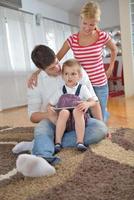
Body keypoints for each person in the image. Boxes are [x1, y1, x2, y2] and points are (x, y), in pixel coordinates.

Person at [15, 45, 108, 177]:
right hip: (55, 121)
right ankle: (43, 159)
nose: (58, 68)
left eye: (57, 62)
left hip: (79, 121)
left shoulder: (74, 69)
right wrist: (50, 115)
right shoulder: (35, 82)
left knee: (100, 129)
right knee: (42, 128)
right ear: (41, 69)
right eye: (52, 68)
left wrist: (102, 124)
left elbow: (94, 101)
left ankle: (40, 143)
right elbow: (33, 116)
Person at [28, 1, 117, 122]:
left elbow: (114, 49)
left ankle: (104, 116)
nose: (87, 28)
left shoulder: (102, 36)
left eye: (91, 24)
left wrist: (111, 67)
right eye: (84, 23)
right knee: (85, 117)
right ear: (80, 19)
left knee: (99, 118)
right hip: (80, 82)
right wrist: (37, 72)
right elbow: (56, 57)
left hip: (99, 83)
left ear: (97, 22)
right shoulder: (72, 40)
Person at [49, 59, 97, 152]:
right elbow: (50, 104)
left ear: (80, 76)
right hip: (65, 122)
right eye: (66, 74)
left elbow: (93, 102)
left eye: (73, 74)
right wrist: (51, 109)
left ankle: (80, 142)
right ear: (62, 76)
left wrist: (87, 103)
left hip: (79, 120)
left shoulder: (82, 88)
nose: (69, 77)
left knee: (77, 110)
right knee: (63, 112)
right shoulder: (60, 90)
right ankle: (58, 143)